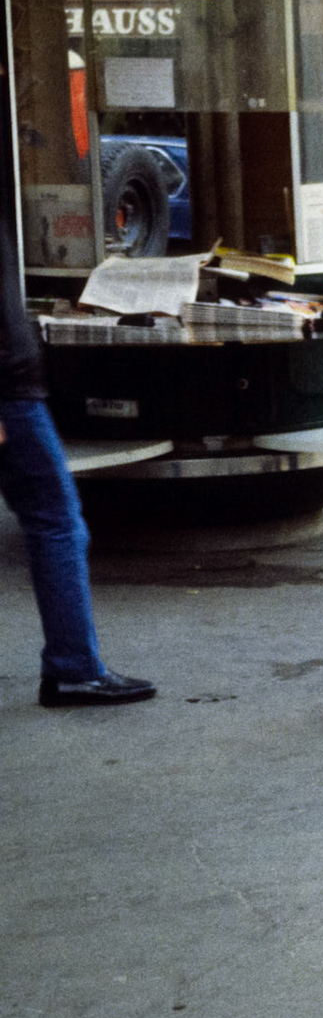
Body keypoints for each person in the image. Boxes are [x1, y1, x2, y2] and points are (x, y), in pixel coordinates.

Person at [1, 205, 155, 708]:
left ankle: (73, 665)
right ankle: (73, 667)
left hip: (15, 389)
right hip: (9, 395)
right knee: (57, 520)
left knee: (55, 520)